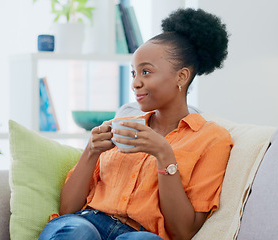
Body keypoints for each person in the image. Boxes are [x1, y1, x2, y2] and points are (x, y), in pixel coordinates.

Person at [38, 8, 232, 240]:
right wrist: (91, 150)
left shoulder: (212, 139)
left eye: (146, 72)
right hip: (86, 222)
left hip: (140, 233)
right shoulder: (120, 126)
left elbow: (183, 232)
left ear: (181, 77)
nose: (135, 83)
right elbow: (68, 209)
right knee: (80, 231)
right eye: (133, 73)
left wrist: (164, 154)